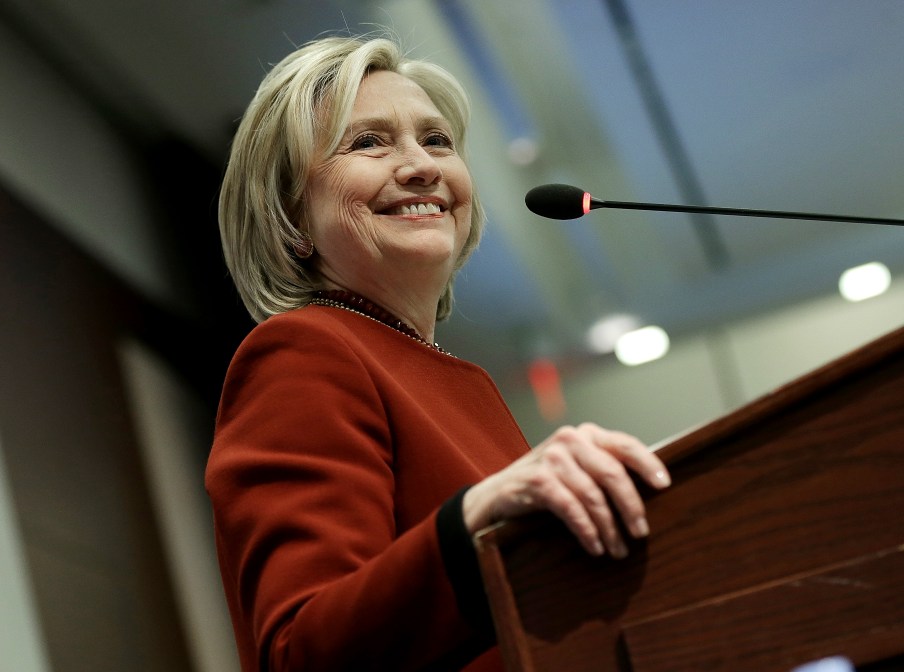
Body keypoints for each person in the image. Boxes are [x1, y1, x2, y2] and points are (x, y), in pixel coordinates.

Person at [205, 33, 671, 672]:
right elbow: (302, 652)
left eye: (437, 140)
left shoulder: (456, 381)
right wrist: (475, 518)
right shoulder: (301, 354)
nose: (422, 166)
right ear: (290, 216)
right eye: (368, 143)